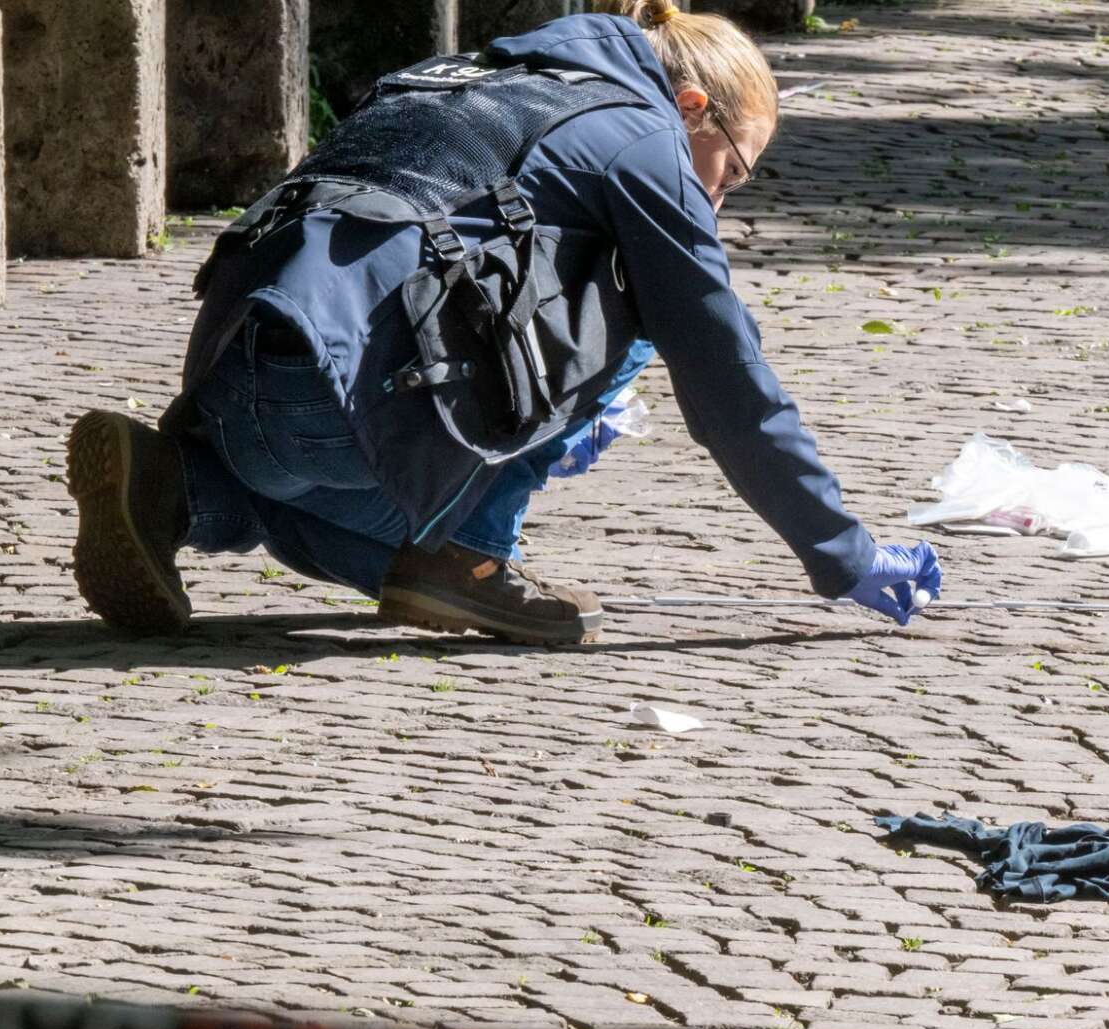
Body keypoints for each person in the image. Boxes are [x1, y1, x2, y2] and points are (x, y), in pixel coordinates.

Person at [64, 0, 942, 646]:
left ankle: (176, 485)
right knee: (646, 304)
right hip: (333, 404)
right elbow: (724, 373)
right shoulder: (642, 139)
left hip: (234, 371)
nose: (715, 199)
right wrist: (842, 551)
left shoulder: (462, 74)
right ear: (690, 110)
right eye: (732, 172)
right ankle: (471, 553)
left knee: (318, 496)